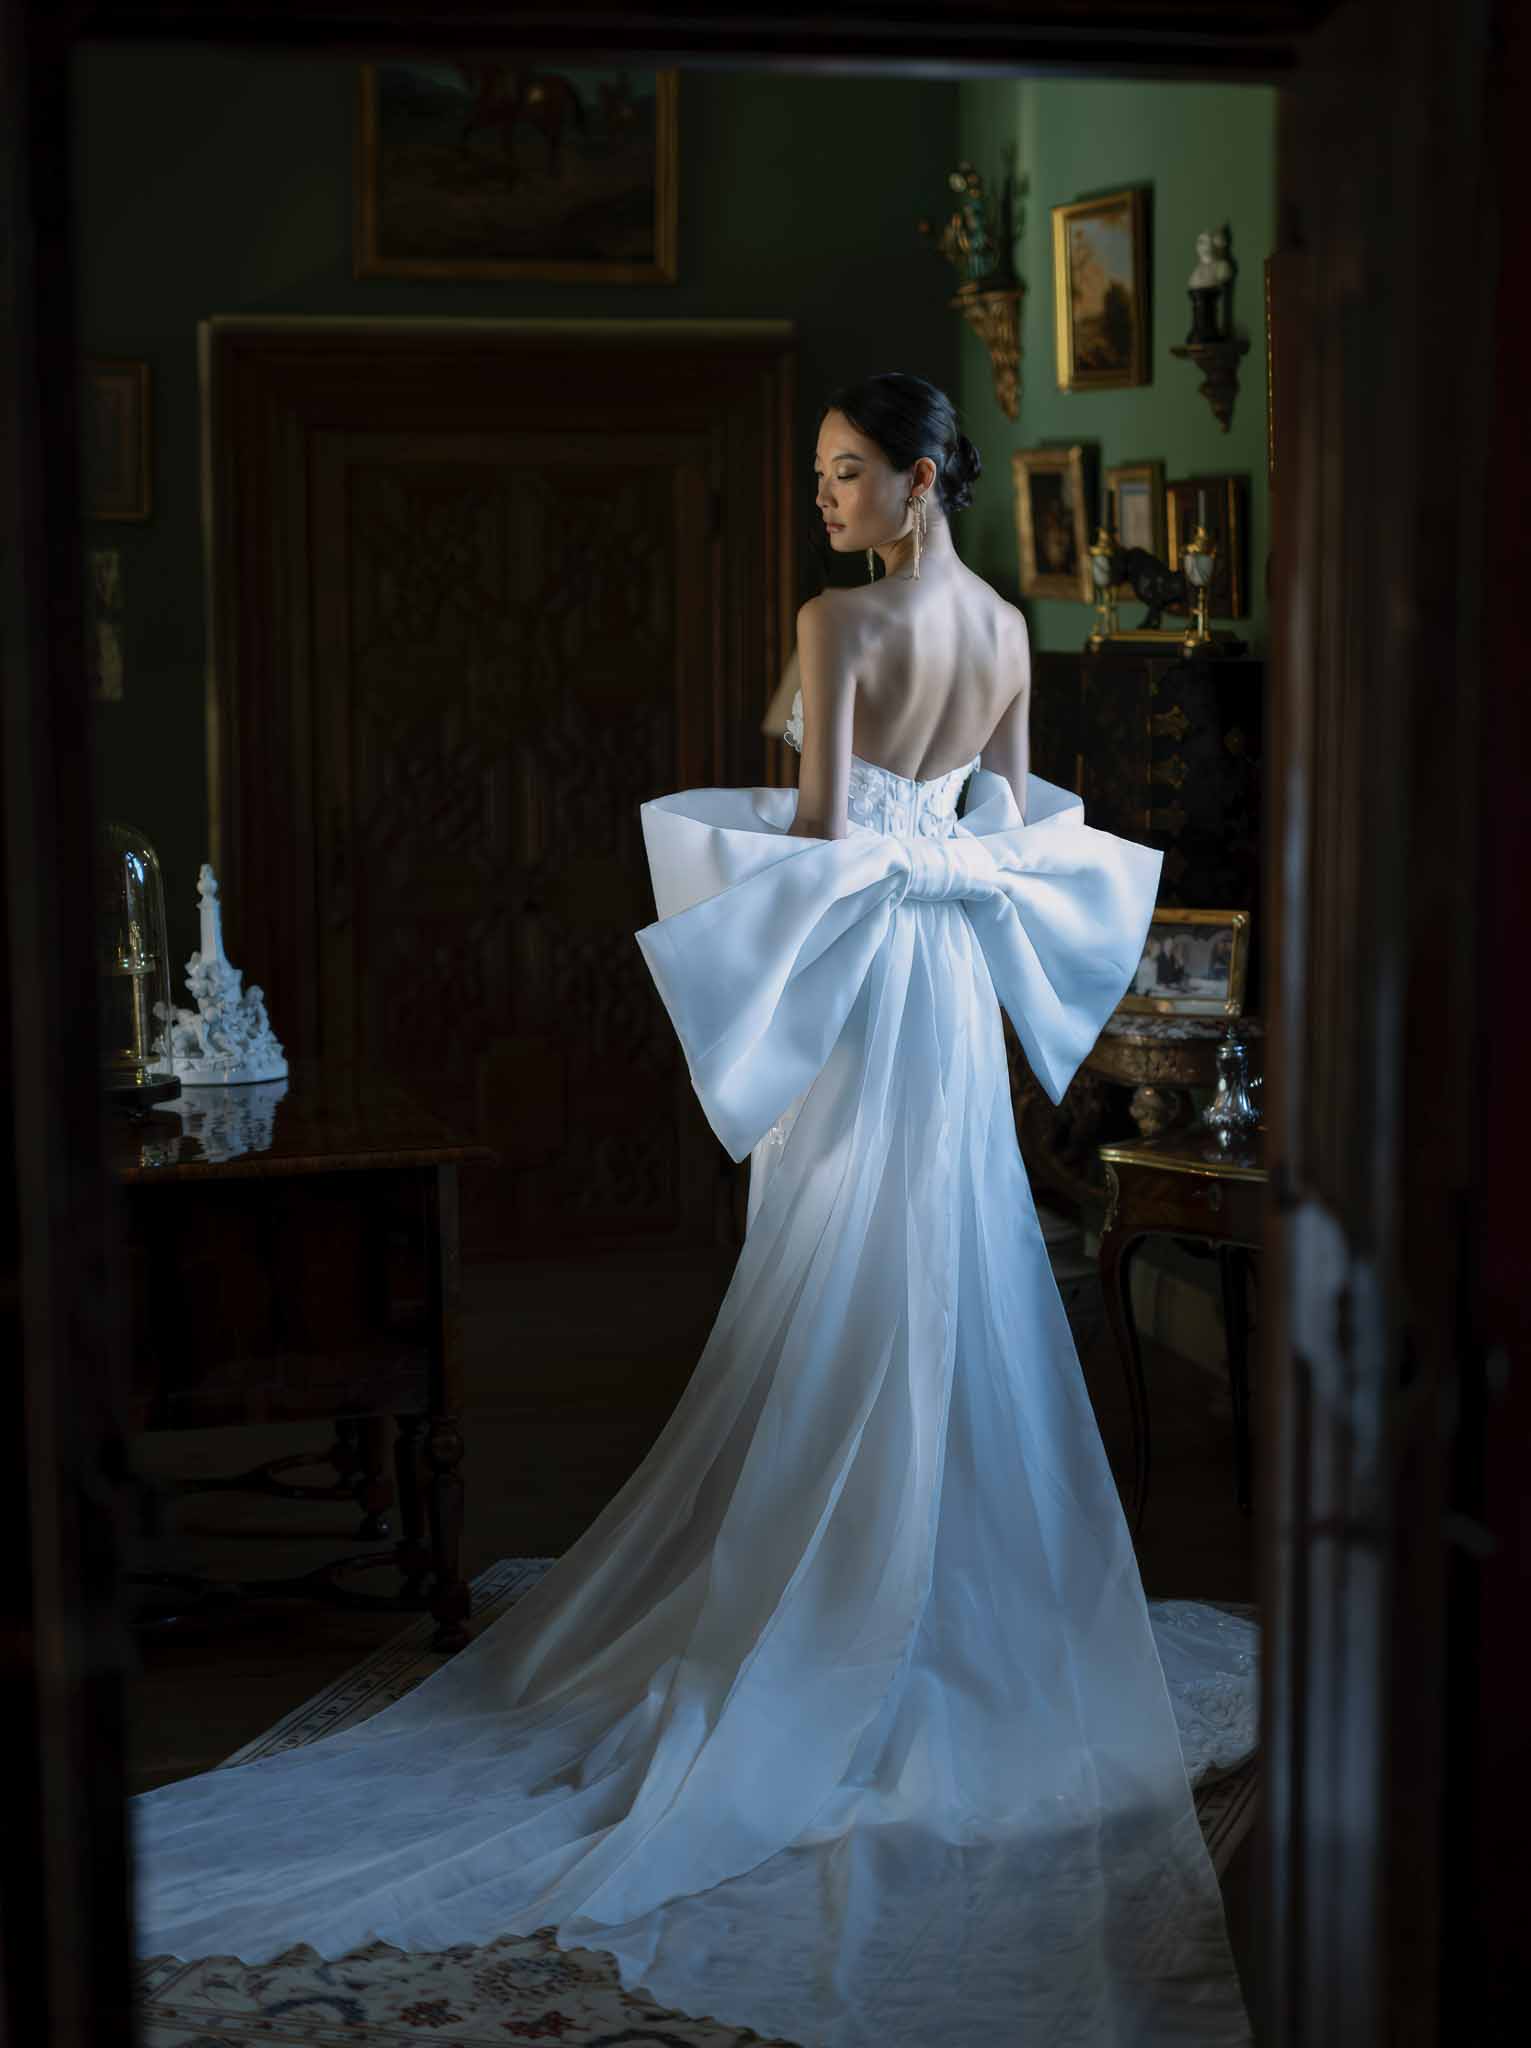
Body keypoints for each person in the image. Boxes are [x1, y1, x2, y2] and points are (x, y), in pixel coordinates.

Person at [131, 372, 1257, 2045]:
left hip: (874, 979)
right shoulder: (1013, 630)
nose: (825, 500)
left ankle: (840, 1610)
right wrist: (919, 846)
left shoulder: (838, 625)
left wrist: (785, 820)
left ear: (922, 476)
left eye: (848, 473)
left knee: (845, 1261)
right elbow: (1018, 824)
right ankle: (933, 1584)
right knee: (948, 1264)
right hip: (949, 982)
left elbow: (810, 840)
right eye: (817, 477)